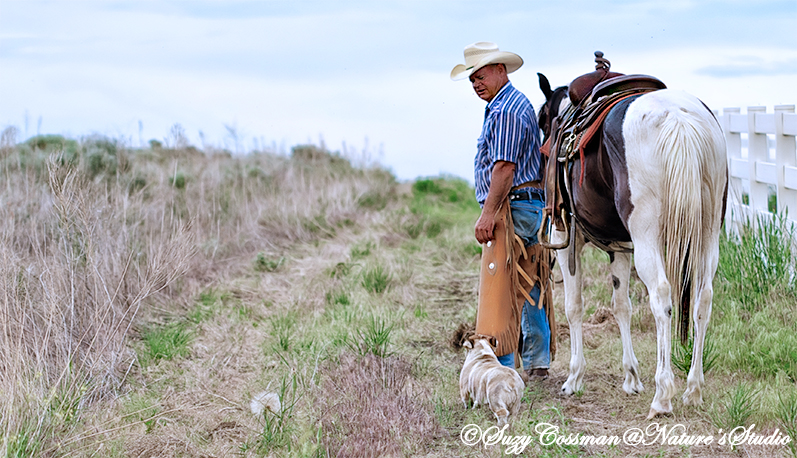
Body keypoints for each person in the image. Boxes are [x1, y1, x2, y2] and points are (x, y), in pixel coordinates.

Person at [451, 42, 553, 379]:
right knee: (532, 283)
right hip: (528, 204)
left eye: (481, 76)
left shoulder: (505, 110)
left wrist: (488, 213)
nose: (477, 83)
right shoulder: (513, 104)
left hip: (513, 208)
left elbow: (505, 168)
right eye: (472, 79)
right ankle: (538, 363)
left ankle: (502, 368)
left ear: (500, 71)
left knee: (501, 289)